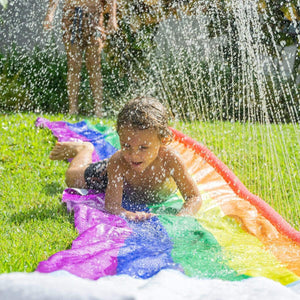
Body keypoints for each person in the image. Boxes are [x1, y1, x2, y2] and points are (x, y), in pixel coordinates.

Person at [49, 97, 202, 221]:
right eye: (126, 145)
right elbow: (113, 206)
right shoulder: (119, 162)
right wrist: (130, 214)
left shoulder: (170, 160)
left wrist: (181, 218)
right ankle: (83, 149)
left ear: (163, 140)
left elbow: (194, 197)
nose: (134, 155)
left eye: (143, 147)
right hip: (106, 175)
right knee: (72, 178)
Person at [43, 0, 118, 117]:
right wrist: (50, 14)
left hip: (94, 17)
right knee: (74, 66)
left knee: (94, 66)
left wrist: (113, 17)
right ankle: (72, 109)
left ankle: (98, 109)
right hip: (72, 16)